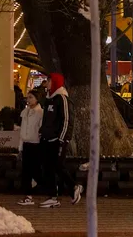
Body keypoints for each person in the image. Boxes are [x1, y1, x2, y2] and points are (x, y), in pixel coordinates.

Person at [39, 73, 82, 207]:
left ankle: (73, 187)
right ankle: (53, 196)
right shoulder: (49, 99)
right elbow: (47, 120)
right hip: (48, 139)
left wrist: (62, 139)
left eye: (49, 81)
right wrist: (42, 132)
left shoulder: (62, 99)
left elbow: (67, 120)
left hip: (58, 140)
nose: (46, 83)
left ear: (55, 82)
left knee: (57, 165)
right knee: (48, 167)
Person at [16, 90, 43, 206]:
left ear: (37, 99)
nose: (28, 100)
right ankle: (28, 196)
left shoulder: (40, 113)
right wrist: (20, 148)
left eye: (31, 97)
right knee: (26, 171)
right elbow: (22, 131)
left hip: (35, 144)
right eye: (28, 97)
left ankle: (51, 188)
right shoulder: (25, 112)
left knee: (35, 170)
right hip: (26, 144)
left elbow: (41, 130)